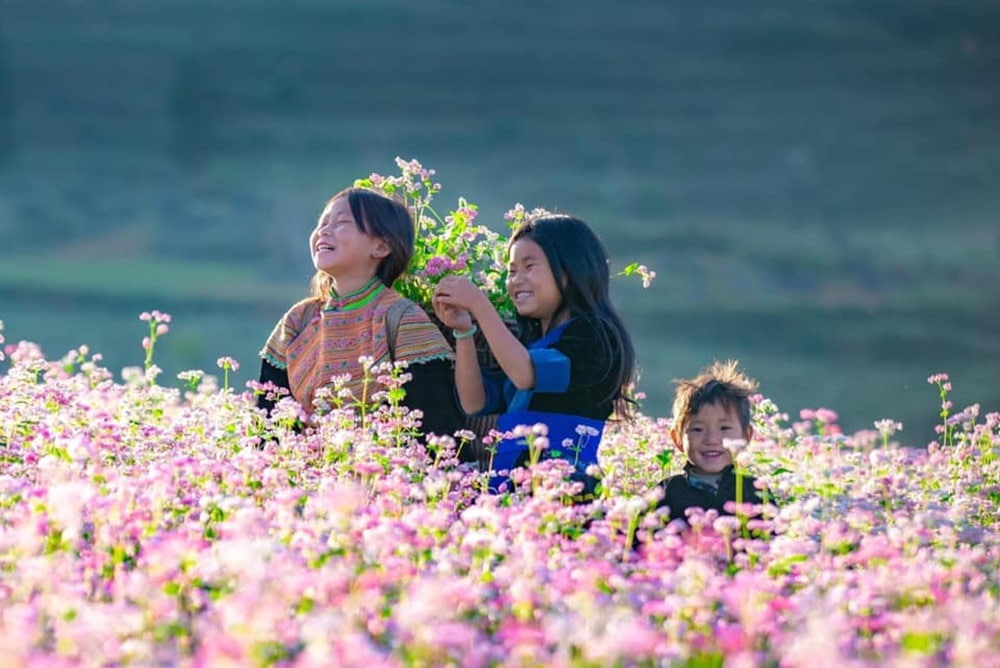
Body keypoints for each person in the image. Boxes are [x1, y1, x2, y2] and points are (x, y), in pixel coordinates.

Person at [432, 214, 636, 493]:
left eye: (529, 267)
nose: (517, 280)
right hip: (508, 486)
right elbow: (474, 402)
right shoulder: (530, 345)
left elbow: (527, 374)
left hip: (563, 488)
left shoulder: (594, 335)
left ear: (570, 270)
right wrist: (464, 332)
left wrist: (480, 305)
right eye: (512, 271)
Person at [257, 187, 464, 441]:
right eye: (322, 223)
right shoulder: (298, 320)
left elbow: (434, 425)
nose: (323, 231)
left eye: (342, 222)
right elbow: (268, 424)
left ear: (381, 246)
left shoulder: (404, 319)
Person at [656, 359, 765, 523]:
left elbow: (773, 542)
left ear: (746, 436)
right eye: (697, 429)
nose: (712, 440)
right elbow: (640, 543)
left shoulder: (755, 491)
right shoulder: (667, 492)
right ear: (677, 439)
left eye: (725, 428)